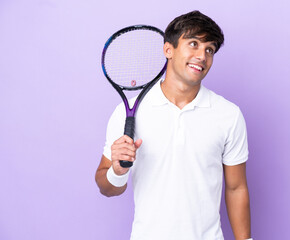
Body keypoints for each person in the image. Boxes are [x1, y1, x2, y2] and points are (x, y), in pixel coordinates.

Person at [95, 10, 252, 240]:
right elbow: (106, 188)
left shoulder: (229, 115)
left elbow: (236, 188)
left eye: (209, 49)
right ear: (168, 49)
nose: (202, 55)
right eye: (194, 44)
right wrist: (118, 171)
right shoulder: (128, 113)